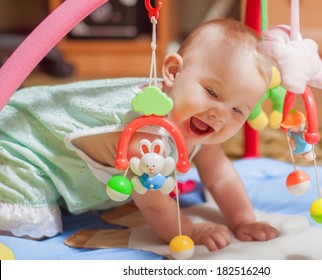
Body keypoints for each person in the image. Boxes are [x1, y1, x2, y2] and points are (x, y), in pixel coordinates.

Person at [0, 18, 279, 251]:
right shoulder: (147, 136)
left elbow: (220, 175)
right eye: (212, 92)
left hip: (65, 163)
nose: (219, 113)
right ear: (172, 72)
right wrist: (191, 230)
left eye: (238, 110)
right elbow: (154, 205)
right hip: (25, 148)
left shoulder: (195, 121)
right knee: (30, 228)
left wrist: (243, 220)